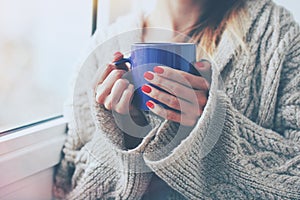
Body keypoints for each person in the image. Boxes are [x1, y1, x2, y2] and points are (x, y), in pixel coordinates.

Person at [53, 0, 300, 199]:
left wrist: (213, 125)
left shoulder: (277, 34)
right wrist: (124, 135)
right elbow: (69, 183)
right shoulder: (102, 49)